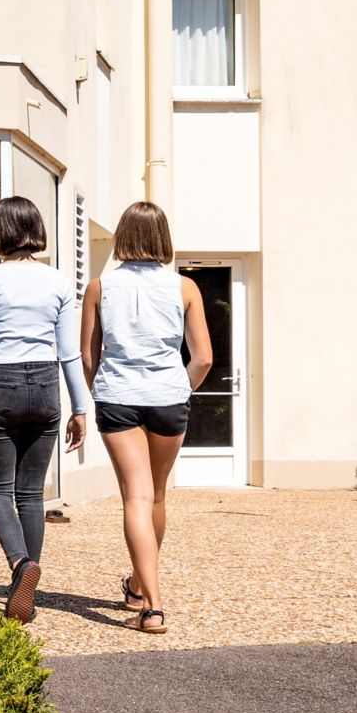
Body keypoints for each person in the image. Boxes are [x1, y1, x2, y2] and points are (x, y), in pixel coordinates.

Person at [0, 195, 91, 623]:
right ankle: (26, 587)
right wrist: (80, 407)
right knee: (30, 493)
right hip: (45, 385)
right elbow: (69, 353)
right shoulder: (59, 282)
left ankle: (20, 566)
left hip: (0, 386)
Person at [82, 202, 212, 635]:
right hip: (168, 399)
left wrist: (100, 391)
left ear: (122, 236)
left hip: (118, 397)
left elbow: (88, 355)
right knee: (155, 496)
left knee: (135, 498)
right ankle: (140, 590)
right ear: (163, 238)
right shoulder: (185, 288)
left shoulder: (99, 286)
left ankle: (150, 604)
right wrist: (179, 388)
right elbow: (204, 359)